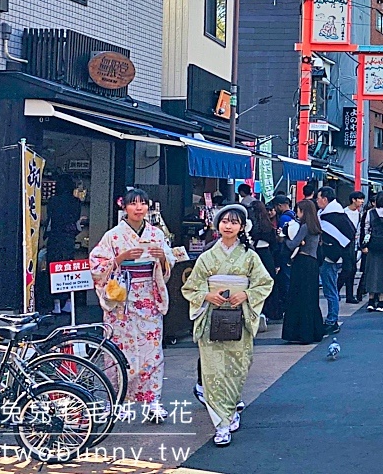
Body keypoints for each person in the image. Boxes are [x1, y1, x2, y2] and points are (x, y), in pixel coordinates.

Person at [181, 204, 273, 447]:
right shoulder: (207, 256)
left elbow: (264, 283)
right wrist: (206, 295)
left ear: (242, 227)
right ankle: (221, 424)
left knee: (237, 368)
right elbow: (190, 286)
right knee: (212, 373)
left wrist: (246, 295)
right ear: (218, 225)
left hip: (239, 319)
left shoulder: (250, 256)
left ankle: (230, 410)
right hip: (212, 317)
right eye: (224, 221)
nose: (228, 226)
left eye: (234, 222)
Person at [89, 188, 175, 421]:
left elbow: (169, 262)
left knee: (152, 352)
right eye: (133, 204)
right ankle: (118, 400)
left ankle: (152, 401)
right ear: (124, 207)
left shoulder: (156, 234)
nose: (139, 208)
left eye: (143, 204)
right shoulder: (113, 236)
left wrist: (162, 257)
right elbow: (97, 266)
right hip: (122, 300)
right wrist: (120, 258)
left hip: (148, 295)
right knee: (119, 351)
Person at [281, 200, 325, 344]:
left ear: (303, 211)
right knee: (311, 298)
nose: (297, 213)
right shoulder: (315, 226)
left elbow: (292, 244)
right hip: (312, 263)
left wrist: (285, 238)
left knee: (298, 298)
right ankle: (314, 331)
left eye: (299, 210)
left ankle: (300, 333)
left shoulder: (305, 227)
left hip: (302, 264)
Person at [45, 175, 86, 315]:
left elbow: (50, 218)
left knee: (53, 270)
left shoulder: (52, 201)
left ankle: (56, 304)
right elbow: (75, 219)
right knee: (68, 270)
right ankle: (68, 302)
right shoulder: (76, 202)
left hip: (54, 238)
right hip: (68, 239)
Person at [315, 187, 354, 334]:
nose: (317, 201)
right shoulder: (334, 213)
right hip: (332, 256)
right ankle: (332, 319)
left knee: (330, 289)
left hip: (329, 257)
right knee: (330, 289)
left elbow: (338, 236)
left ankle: (332, 320)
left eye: (319, 198)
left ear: (325, 199)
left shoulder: (331, 216)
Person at [248, 200, 284, 323]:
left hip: (255, 254)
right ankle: (273, 311)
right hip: (267, 254)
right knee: (269, 283)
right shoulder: (268, 225)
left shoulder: (251, 225)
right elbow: (274, 245)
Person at [360, 193, 383, 312]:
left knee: (372, 272)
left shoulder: (370, 213)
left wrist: (364, 245)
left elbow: (365, 230)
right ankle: (381, 302)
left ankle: (370, 301)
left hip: (373, 246)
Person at [339, 191, 365, 304]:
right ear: (353, 200)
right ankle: (336, 289)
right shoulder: (344, 213)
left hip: (354, 245)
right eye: (360, 199)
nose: (362, 201)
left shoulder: (359, 214)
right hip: (345, 244)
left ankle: (350, 295)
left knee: (352, 270)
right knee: (347, 269)